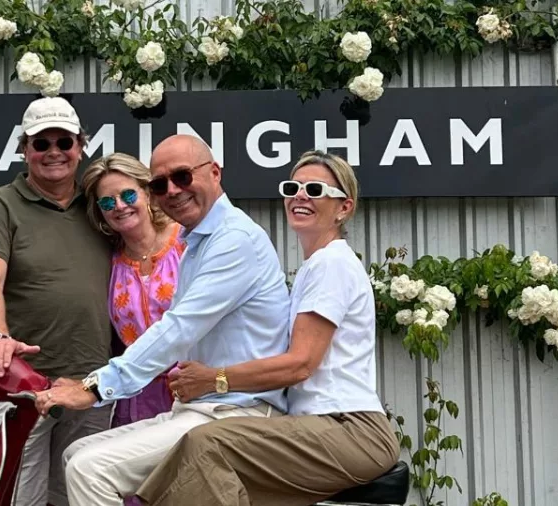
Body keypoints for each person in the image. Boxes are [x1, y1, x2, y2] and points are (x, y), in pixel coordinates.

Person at [27, 134, 292, 506]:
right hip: (197, 405)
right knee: (76, 455)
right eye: (160, 183)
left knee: (89, 468)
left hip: (237, 411)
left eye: (182, 177)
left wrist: (93, 388)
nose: (172, 190)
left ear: (215, 173)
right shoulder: (199, 240)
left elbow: (178, 327)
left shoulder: (234, 240)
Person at [134, 150, 401, 506]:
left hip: (348, 429)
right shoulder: (312, 268)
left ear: (344, 208)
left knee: (207, 443)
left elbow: (300, 364)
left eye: (317, 190)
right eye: (294, 187)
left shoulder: (331, 264)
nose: (301, 196)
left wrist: (214, 379)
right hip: (318, 426)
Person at [0, 96, 115, 506]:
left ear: (80, 146)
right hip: (25, 387)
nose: (54, 153)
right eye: (41, 143)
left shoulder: (101, 206)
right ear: (24, 149)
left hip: (92, 385)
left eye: (63, 142)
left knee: (80, 496)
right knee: (18, 497)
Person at [80, 152, 186, 505]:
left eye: (128, 195)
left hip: (189, 390)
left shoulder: (186, 243)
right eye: (108, 201)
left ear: (147, 192)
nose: (120, 207)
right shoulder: (110, 260)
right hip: (136, 399)